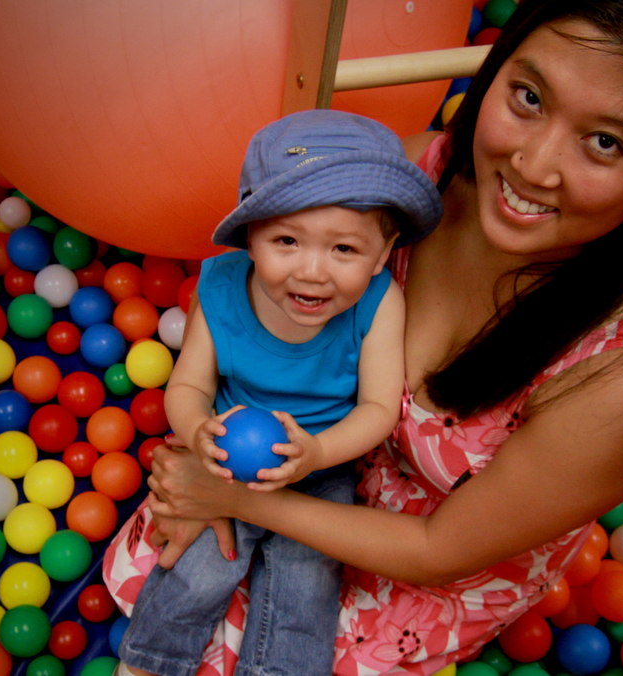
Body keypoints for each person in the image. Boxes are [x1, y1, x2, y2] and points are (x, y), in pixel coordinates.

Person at [105, 0, 623, 673]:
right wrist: (211, 439)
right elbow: (266, 304)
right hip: (307, 448)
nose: (532, 166)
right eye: (528, 96)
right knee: (161, 585)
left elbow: (436, 548)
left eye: (603, 142)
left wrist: (234, 497)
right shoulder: (410, 187)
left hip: (416, 557)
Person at [106, 109, 444, 676]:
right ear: (250, 240)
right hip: (224, 458)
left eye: (344, 250)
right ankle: (150, 660)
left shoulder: (380, 302)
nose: (312, 271)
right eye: (286, 240)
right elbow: (189, 383)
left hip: (321, 462)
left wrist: (316, 454)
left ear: (383, 256)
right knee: (202, 566)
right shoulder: (218, 287)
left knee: (307, 581)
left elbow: (378, 408)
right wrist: (197, 433)